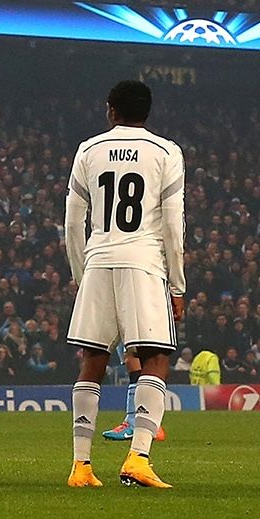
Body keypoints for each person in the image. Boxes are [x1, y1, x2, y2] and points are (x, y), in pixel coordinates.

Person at [62, 80, 185, 490]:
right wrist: (178, 285)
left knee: (92, 361)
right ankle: (138, 457)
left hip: (97, 262)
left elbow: (71, 224)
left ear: (110, 109)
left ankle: (81, 466)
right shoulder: (167, 152)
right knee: (156, 358)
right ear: (147, 112)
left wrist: (81, 275)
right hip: (144, 263)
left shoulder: (88, 150)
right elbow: (173, 225)